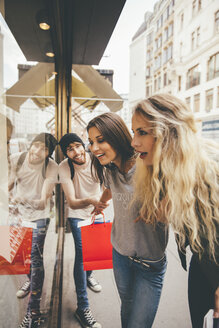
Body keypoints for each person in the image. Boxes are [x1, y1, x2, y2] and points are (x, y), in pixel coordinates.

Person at [131, 93, 219, 328]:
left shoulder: (212, 168)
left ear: (168, 134)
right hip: (202, 267)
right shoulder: (167, 170)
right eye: (134, 132)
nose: (134, 142)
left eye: (142, 132)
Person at [87, 113, 169, 328]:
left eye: (101, 140)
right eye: (91, 142)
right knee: (127, 307)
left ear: (117, 136)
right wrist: (101, 203)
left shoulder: (147, 165)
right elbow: (108, 188)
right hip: (120, 255)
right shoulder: (109, 169)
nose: (94, 148)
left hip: (150, 264)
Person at [8, 132, 58, 328]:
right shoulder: (17, 158)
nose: (37, 151)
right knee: (18, 257)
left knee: (35, 260)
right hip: (18, 216)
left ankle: (33, 310)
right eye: (36, 145)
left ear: (49, 154)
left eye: (44, 149)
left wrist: (21, 199)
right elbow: (9, 184)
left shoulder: (51, 167)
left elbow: (43, 201)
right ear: (31, 143)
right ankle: (30, 281)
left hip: (39, 217)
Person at [59, 133, 107, 328]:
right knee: (83, 254)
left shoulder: (97, 159)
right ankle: (83, 306)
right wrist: (90, 201)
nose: (76, 152)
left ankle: (88, 277)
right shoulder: (64, 167)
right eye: (70, 149)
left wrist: (102, 203)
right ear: (66, 153)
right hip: (77, 213)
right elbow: (71, 201)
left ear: (84, 145)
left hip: (98, 210)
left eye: (78, 146)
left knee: (94, 251)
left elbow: (108, 185)